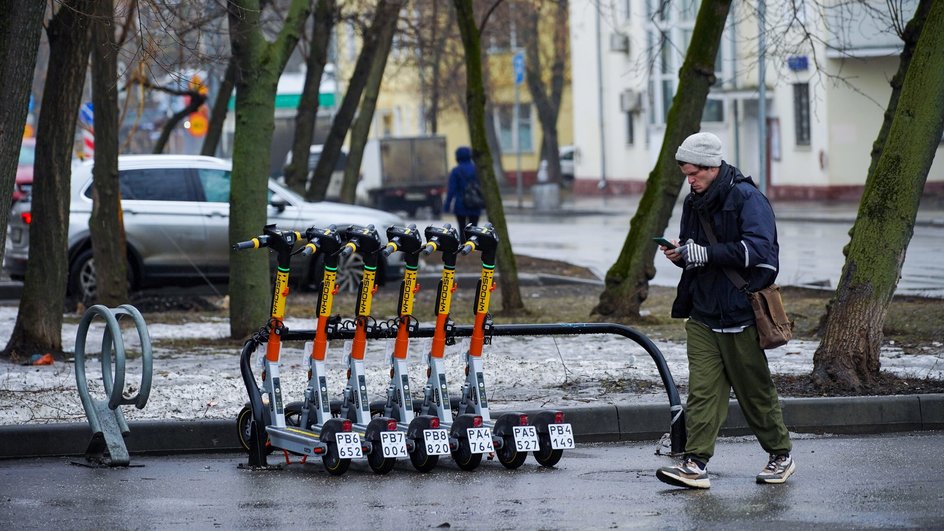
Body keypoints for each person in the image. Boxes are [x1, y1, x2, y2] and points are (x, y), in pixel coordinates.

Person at [655, 132, 794, 489]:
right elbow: (695, 250)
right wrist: (681, 253)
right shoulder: (693, 202)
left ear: (712, 167)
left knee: (755, 393)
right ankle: (695, 464)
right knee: (702, 394)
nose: (690, 181)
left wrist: (708, 254)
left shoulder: (748, 198)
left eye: (694, 174)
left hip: (741, 314)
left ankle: (781, 455)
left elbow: (760, 252)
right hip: (702, 314)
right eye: (686, 174)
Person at [443, 146, 482, 241]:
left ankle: (464, 247)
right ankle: (473, 245)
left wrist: (447, 205)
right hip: (475, 202)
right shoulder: (477, 169)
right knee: (474, 228)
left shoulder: (456, 171)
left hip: (461, 204)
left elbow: (451, 190)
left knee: (462, 227)